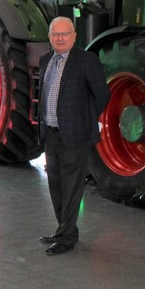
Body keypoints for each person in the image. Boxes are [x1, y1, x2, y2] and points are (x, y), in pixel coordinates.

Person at [37, 16, 111, 255]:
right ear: (49, 37)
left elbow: (102, 94)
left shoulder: (86, 60)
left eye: (65, 34)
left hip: (74, 135)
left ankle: (67, 237)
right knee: (56, 185)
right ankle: (64, 229)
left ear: (74, 36)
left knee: (71, 187)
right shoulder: (46, 60)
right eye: (55, 34)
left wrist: (84, 118)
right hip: (51, 133)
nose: (60, 38)